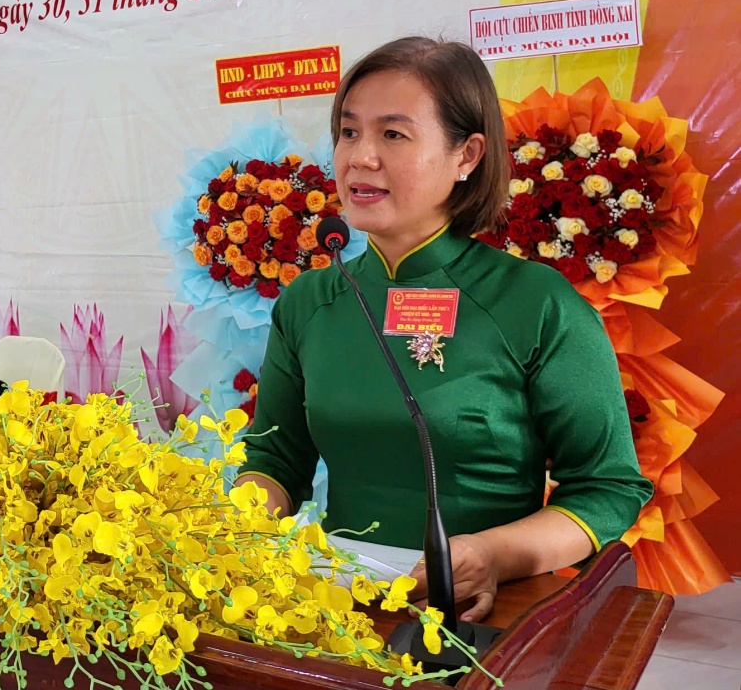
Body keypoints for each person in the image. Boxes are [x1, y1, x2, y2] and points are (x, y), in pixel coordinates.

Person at [235, 37, 651, 623]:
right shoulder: (309, 301)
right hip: (336, 606)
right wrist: (229, 527)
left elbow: (608, 488)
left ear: (467, 156)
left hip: (484, 610)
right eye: (348, 132)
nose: (360, 157)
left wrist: (494, 555)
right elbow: (276, 456)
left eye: (393, 134)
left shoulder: (536, 303)